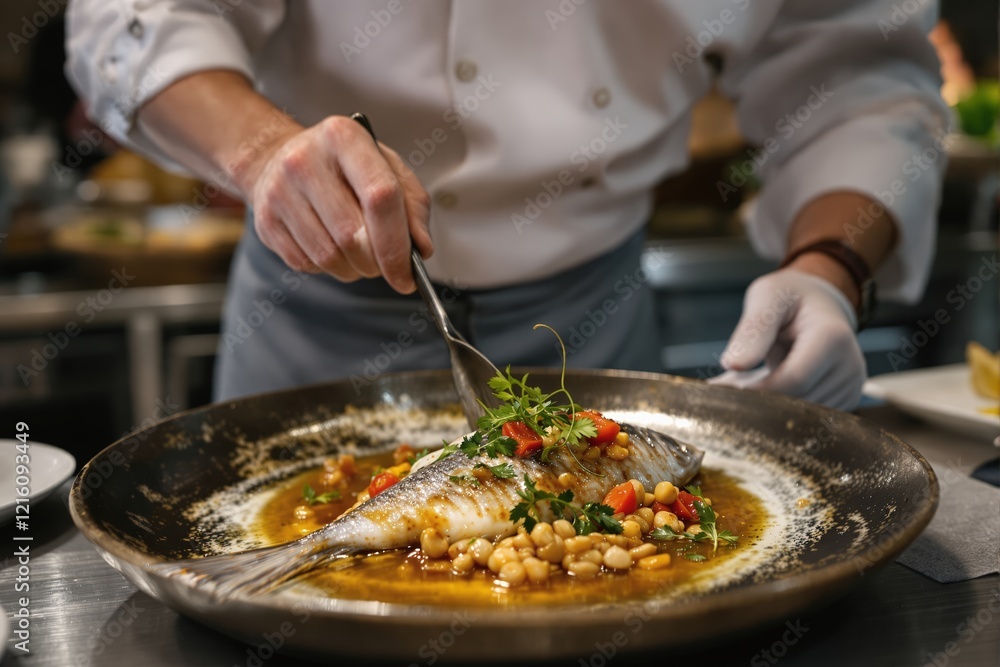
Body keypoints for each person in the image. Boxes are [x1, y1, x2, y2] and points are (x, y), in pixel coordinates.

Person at [65, 1, 948, 410]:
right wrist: (263, 154)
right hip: (313, 312)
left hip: (592, 321)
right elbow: (127, 18)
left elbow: (860, 77)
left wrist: (830, 268)